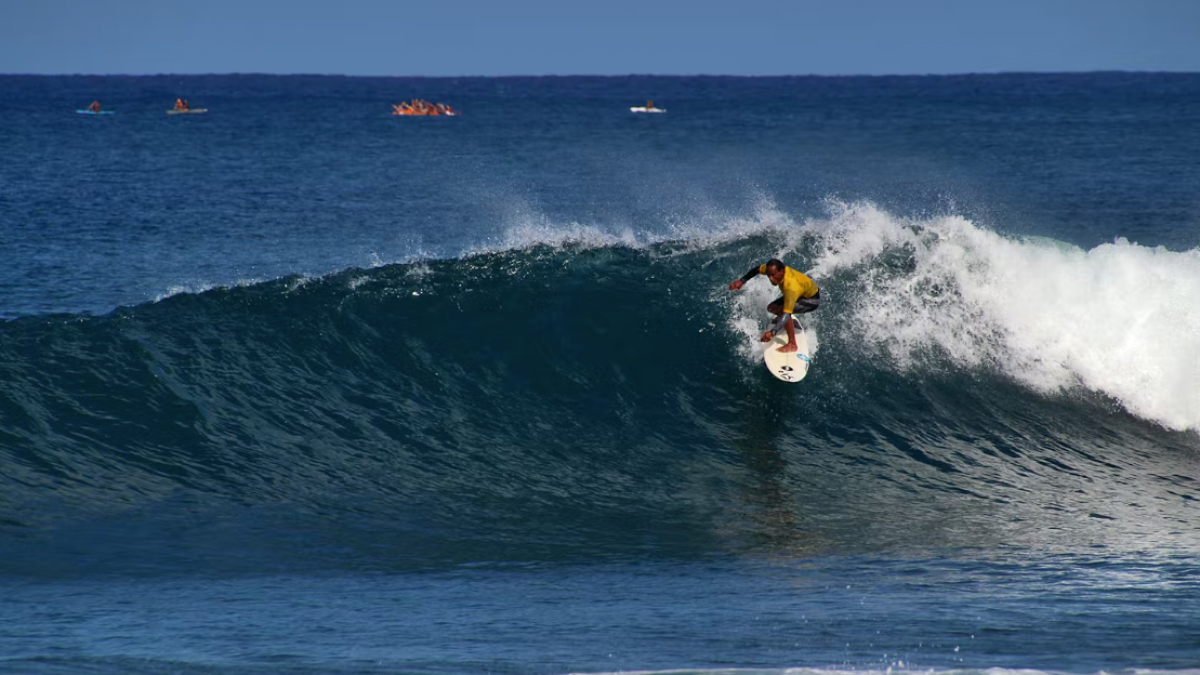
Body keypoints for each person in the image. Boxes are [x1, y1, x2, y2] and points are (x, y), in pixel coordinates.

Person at [728, 258, 820, 353]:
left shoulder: (791, 287)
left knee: (784, 312)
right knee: (771, 308)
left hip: (811, 300)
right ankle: (785, 323)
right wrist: (741, 281)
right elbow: (757, 269)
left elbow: (787, 313)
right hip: (801, 293)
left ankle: (792, 344)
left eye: (773, 275)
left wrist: (772, 332)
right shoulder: (772, 269)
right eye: (768, 275)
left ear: (782, 271)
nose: (771, 279)